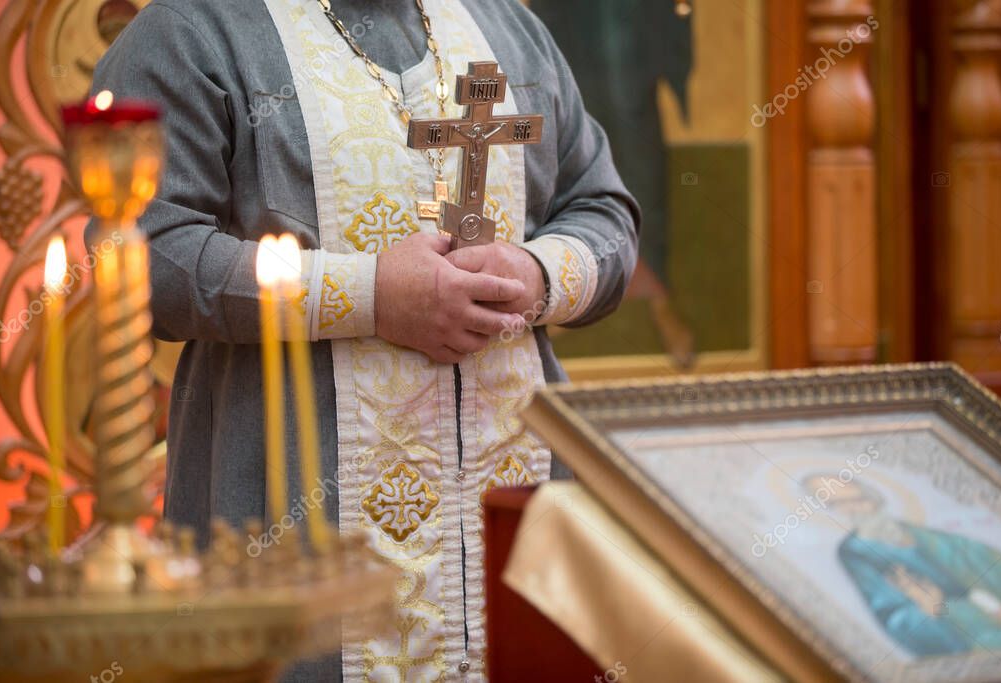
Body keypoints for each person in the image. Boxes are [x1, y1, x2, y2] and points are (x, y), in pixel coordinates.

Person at [88, 0, 639, 680]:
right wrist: (371, 295)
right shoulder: (193, 32)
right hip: (289, 535)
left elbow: (603, 212)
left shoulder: (509, 27)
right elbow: (140, 256)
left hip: (520, 523)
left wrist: (536, 273)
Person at [804, 474, 1001, 657]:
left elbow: (991, 564)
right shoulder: (856, 552)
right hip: (968, 631)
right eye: (838, 504)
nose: (855, 509)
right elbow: (897, 615)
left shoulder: (924, 535)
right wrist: (936, 610)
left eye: (859, 499)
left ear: (874, 497)